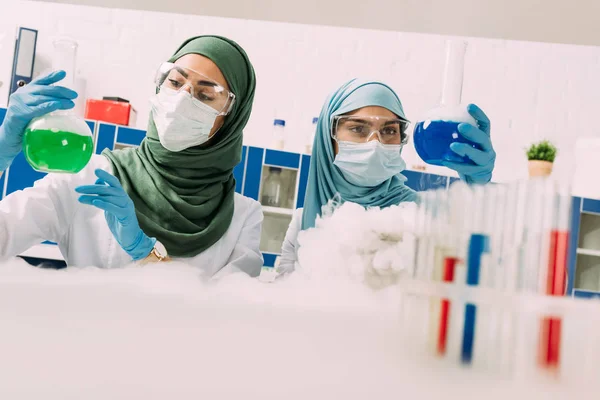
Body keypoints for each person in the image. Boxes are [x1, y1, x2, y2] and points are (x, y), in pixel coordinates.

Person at [0, 35, 263, 278]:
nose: (181, 100)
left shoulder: (242, 217)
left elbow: (227, 319)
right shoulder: (90, 176)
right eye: (174, 82)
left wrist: (145, 252)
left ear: (233, 118)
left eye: (205, 95)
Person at [279, 79, 495, 272]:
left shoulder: (421, 213)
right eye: (358, 129)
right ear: (328, 138)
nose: (375, 142)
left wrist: (476, 193)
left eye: (390, 130)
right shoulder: (303, 222)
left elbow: (479, 264)